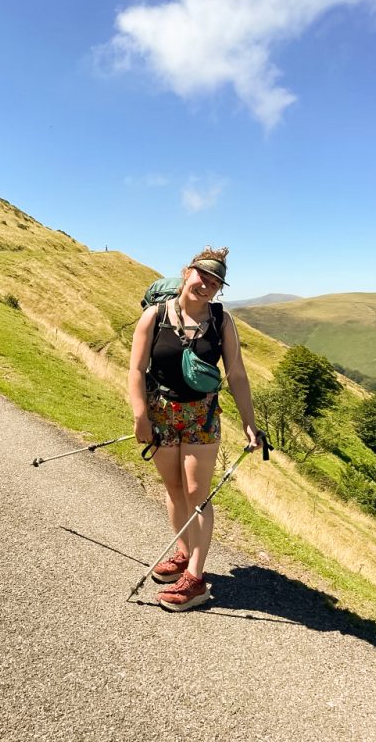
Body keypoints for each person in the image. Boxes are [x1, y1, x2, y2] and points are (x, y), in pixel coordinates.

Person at [128, 246, 261, 611]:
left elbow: (236, 374)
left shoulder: (222, 322)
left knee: (196, 493)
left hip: (202, 417)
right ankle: (184, 553)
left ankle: (196, 579)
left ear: (220, 288)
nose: (207, 284)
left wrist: (250, 424)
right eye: (203, 275)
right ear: (188, 272)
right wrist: (140, 416)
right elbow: (136, 370)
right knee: (173, 490)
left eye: (216, 281)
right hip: (161, 414)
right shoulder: (154, 316)